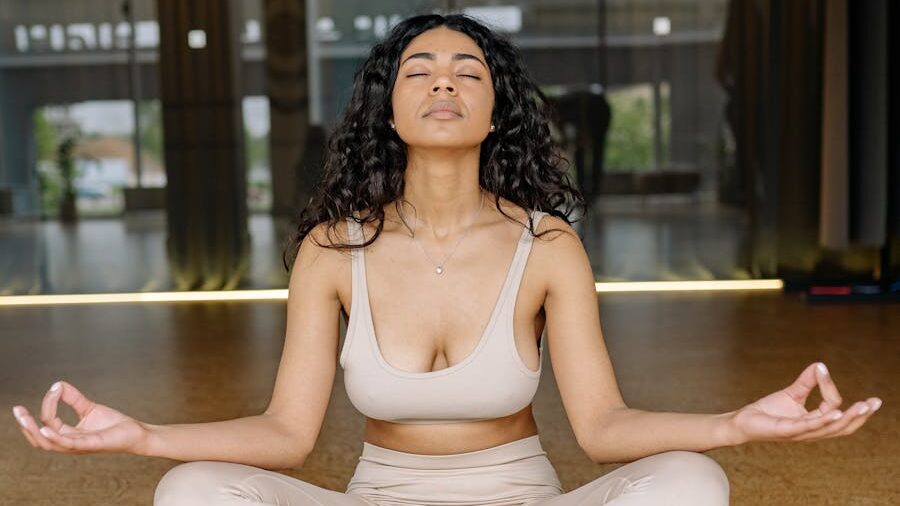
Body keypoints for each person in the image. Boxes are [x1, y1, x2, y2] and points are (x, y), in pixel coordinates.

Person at [11, 14, 882, 506]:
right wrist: (147, 438)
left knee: (693, 482)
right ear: (387, 109)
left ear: (493, 109)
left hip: (523, 497)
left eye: (467, 71)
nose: (442, 82)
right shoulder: (331, 249)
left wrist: (736, 425)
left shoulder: (548, 245)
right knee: (192, 493)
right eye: (419, 70)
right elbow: (286, 433)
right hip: (378, 497)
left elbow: (605, 429)